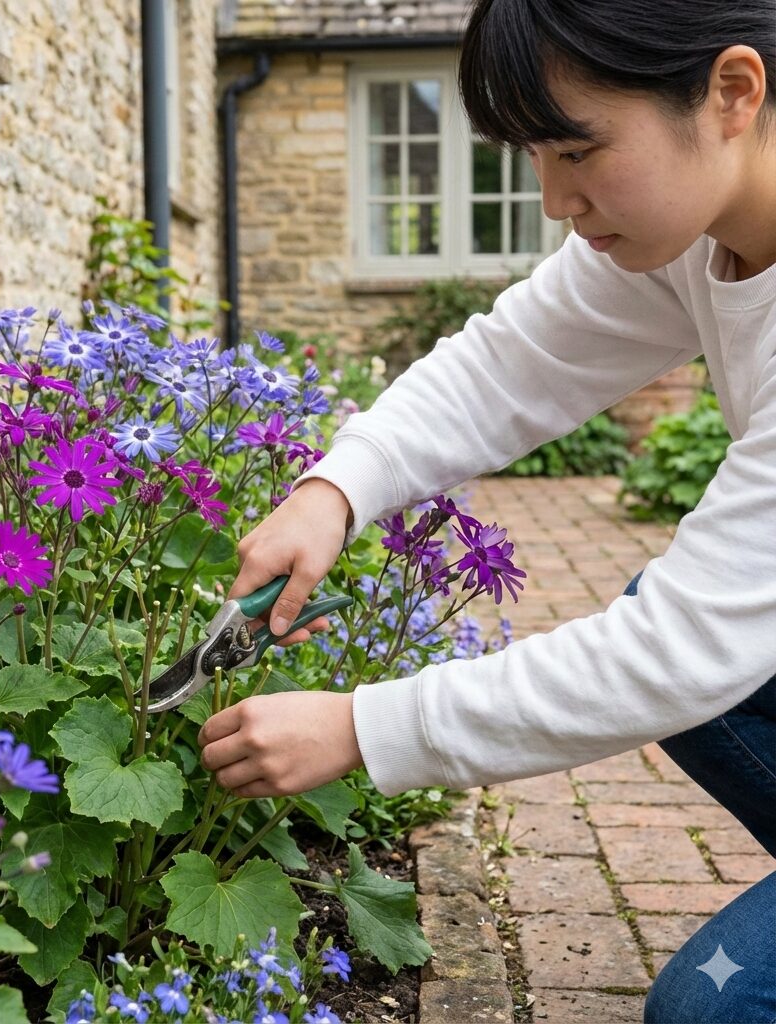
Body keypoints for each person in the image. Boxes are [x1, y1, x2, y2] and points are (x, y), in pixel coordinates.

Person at [196, 1, 776, 1021]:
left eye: (575, 149)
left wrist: (363, 726)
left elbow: (674, 648)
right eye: (531, 155)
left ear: (731, 93)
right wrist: (335, 489)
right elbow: (514, 361)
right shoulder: (701, 231)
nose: (554, 199)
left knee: (705, 1012)